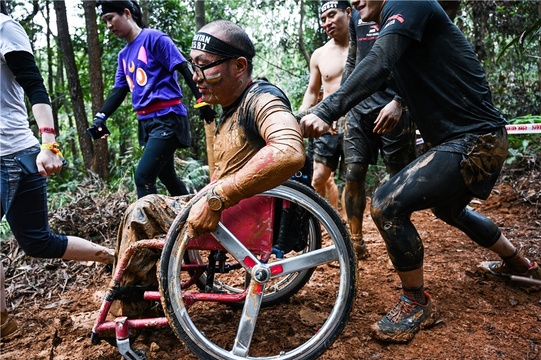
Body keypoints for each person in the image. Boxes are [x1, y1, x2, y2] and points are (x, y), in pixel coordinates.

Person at [300, 0, 540, 344]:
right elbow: (382, 67)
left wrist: (328, 108)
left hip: (476, 142)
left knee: (385, 204)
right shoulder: (385, 21)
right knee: (450, 210)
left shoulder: (409, 2)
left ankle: (415, 302)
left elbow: (379, 63)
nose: (353, 1)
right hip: (468, 141)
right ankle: (520, 264)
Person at [108, 19, 305, 317]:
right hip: (230, 208)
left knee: (142, 211)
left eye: (204, 66)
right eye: (192, 65)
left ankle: (131, 313)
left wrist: (217, 197)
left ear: (239, 66)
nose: (195, 77)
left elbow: (288, 150)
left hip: (233, 215)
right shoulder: (233, 105)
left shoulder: (260, 99)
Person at [0, 1, 114, 337]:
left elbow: (35, 85)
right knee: (37, 242)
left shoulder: (5, 28)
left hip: (13, 154)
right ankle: (3, 322)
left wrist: (48, 143)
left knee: (38, 242)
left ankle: (113, 257)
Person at [93, 1, 216, 199]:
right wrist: (101, 116)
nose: (108, 26)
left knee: (143, 177)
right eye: (104, 21)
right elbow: (119, 90)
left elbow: (183, 67)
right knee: (168, 178)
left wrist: (202, 100)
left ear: (126, 13)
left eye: (110, 19)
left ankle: (150, 229)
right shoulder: (123, 55)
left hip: (167, 117)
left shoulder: (154, 38)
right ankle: (192, 220)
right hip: (146, 123)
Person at [341, 3, 416, 260]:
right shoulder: (357, 16)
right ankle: (355, 240)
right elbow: (353, 58)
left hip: (395, 105)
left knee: (399, 176)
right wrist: (343, 102)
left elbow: (416, 56)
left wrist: (400, 100)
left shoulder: (403, 9)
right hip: (359, 107)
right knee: (353, 172)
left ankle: (398, 238)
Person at [298, 1, 350, 215]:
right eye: (323, 18)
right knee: (318, 177)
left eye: (332, 15)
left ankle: (349, 230)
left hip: (354, 124)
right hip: (326, 124)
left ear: (348, 13)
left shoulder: (364, 46)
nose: (327, 22)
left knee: (352, 180)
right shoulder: (319, 54)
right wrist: (299, 118)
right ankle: (323, 222)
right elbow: (312, 92)